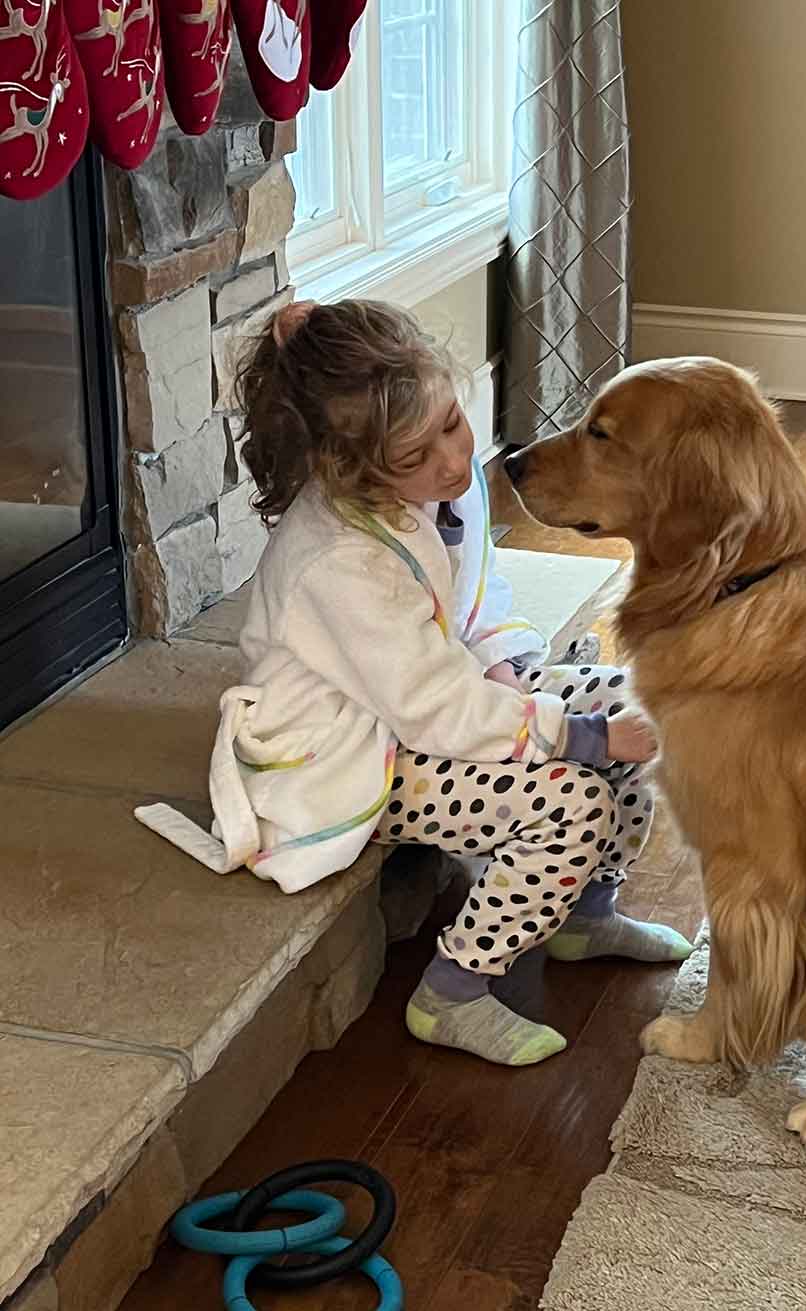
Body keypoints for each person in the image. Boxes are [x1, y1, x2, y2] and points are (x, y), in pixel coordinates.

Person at [135, 298, 691, 1067]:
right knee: (572, 800)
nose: (454, 462)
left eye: (452, 423)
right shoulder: (342, 562)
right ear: (350, 468)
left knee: (629, 700)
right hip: (348, 756)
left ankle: (585, 914)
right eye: (417, 456)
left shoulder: (426, 485)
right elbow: (433, 709)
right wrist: (574, 734)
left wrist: (514, 674)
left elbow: (461, 616)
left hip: (417, 709)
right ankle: (452, 991)